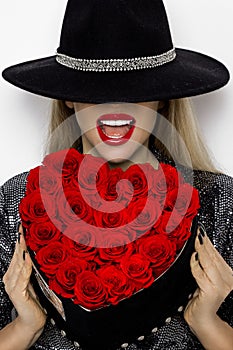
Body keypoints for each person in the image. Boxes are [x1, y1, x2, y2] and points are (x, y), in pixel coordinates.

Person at [0, 0, 233, 349]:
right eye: (95, 91)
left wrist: (208, 324)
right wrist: (25, 326)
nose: (115, 110)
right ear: (67, 98)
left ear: (163, 98)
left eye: (138, 90)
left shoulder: (218, 201)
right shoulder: (18, 198)